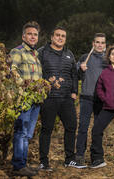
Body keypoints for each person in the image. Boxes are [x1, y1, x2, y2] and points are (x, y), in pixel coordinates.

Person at [38, 26, 79, 170]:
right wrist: (48, 81)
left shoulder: (69, 54)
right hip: (48, 98)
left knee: (71, 126)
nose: (60, 38)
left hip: (66, 98)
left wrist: (75, 91)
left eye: (63, 36)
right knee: (47, 129)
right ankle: (44, 162)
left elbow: (74, 74)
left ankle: (69, 159)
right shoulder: (42, 52)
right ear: (51, 37)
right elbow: (37, 72)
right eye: (58, 35)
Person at [10, 21, 42, 177]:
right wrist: (23, 85)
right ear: (23, 36)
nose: (33, 36)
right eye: (30, 33)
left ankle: (23, 163)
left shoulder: (35, 55)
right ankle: (18, 166)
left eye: (35, 34)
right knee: (21, 132)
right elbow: (12, 71)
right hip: (24, 99)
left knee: (28, 134)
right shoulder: (18, 51)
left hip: (36, 101)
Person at [75, 33, 107, 168]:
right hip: (86, 97)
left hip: (101, 99)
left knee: (98, 129)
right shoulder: (84, 58)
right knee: (83, 127)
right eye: (97, 42)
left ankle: (96, 157)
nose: (100, 45)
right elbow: (76, 74)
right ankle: (79, 156)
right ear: (93, 44)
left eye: (102, 43)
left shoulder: (108, 60)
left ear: (105, 45)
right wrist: (80, 69)